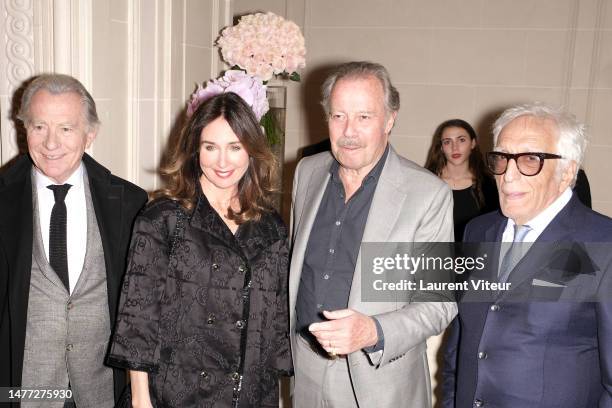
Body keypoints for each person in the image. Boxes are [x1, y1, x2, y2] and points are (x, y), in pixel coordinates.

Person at [289, 61, 457, 408]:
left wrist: (373, 331)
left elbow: (439, 302)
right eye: (338, 116)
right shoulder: (306, 172)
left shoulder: (427, 194)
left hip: (379, 381)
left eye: (364, 117)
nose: (348, 131)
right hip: (304, 367)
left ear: (390, 119)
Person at [107, 92, 291, 407]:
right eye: (210, 147)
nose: (222, 162)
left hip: (248, 395)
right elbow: (138, 319)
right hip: (176, 393)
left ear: (251, 150)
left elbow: (273, 325)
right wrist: (140, 399)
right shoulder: (164, 218)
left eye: (235, 147)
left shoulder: (270, 224)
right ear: (195, 149)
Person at [442, 103, 612, 407]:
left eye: (530, 159)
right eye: (502, 158)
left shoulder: (602, 243)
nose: (508, 175)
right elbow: (461, 340)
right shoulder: (478, 231)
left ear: (567, 170)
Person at [0, 74, 147, 407]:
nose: (51, 143)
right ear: (25, 130)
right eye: (39, 127)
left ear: (89, 134)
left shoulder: (131, 203)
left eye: (66, 128)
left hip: (102, 392)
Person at [425, 119, 499, 241]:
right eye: (447, 142)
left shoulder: (490, 186)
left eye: (461, 140)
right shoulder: (427, 183)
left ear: (473, 143)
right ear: (442, 148)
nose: (455, 147)